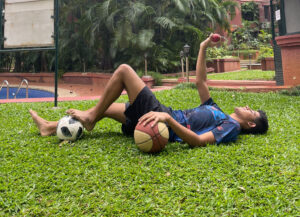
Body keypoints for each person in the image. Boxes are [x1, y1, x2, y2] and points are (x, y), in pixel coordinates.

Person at [30, 34, 268, 147]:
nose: (247, 107)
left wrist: (167, 119)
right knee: (103, 107)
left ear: (251, 125)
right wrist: (203, 46)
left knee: (124, 71)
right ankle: (50, 127)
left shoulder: (232, 127)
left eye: (252, 111)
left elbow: (198, 141)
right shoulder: (217, 110)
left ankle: (90, 119)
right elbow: (201, 82)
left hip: (162, 122)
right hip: (159, 116)